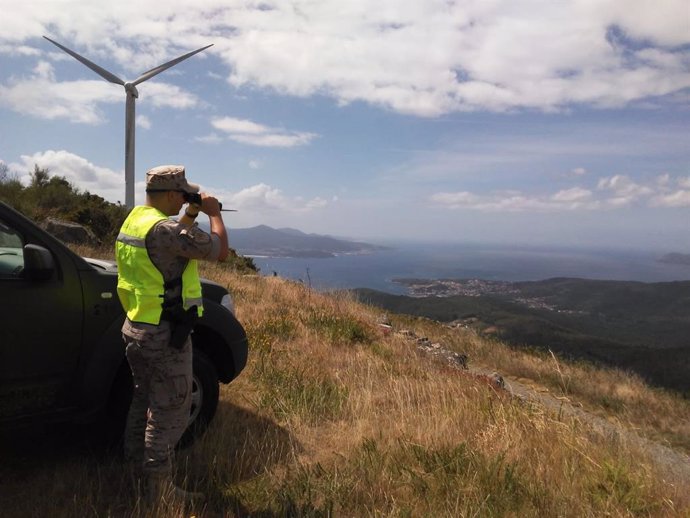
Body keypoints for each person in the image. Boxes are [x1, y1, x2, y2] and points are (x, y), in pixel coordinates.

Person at [115, 164, 228, 503]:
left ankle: (133, 469)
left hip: (136, 327)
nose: (183, 200)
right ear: (167, 194)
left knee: (142, 401)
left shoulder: (136, 219)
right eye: (181, 194)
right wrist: (213, 214)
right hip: (164, 335)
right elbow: (219, 249)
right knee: (170, 412)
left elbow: (171, 240)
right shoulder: (165, 230)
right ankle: (159, 492)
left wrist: (191, 210)